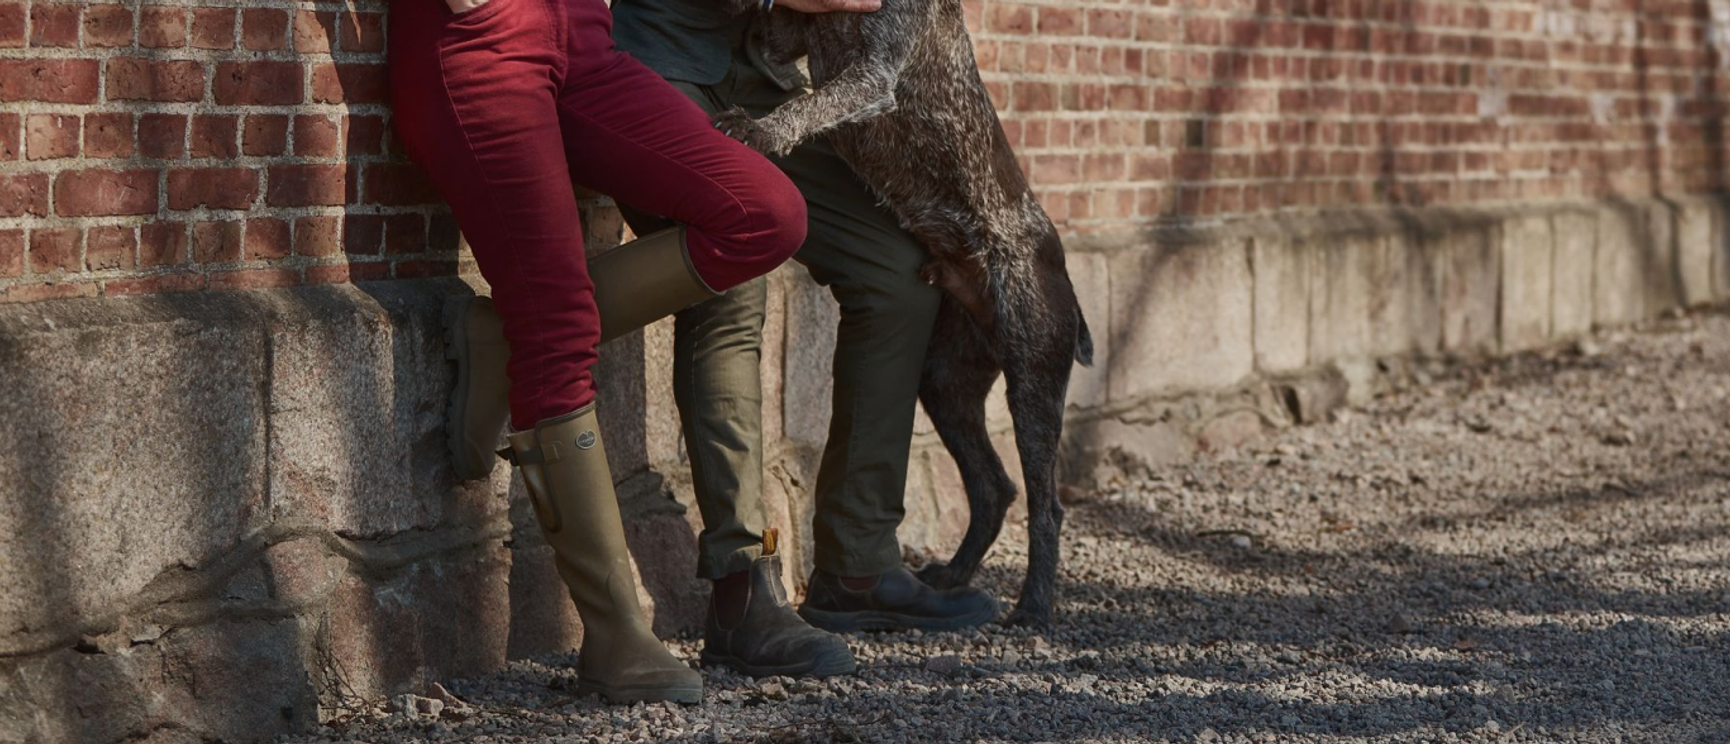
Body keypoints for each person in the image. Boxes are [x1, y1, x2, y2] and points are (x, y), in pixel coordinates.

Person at [388, 0, 813, 705]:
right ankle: (616, 636)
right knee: (554, 327)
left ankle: (505, 334)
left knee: (766, 214)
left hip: (583, 39)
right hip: (479, 39)